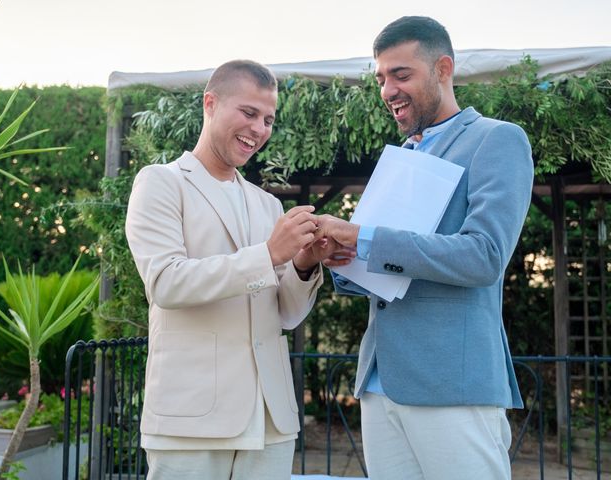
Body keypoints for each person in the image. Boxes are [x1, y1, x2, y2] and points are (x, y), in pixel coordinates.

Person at [316, 16, 534, 480]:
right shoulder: (400, 156)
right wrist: (340, 257)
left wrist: (364, 238)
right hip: (378, 383)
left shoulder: (496, 139)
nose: (388, 89)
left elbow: (484, 257)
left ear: (443, 69)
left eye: (401, 74)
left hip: (452, 385)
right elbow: (389, 270)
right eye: (381, 79)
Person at [125, 59, 340, 480]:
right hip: (193, 418)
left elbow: (285, 314)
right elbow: (166, 284)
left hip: (270, 418)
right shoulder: (161, 182)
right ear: (210, 103)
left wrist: (303, 264)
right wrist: (269, 253)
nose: (259, 129)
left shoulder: (268, 205)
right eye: (249, 113)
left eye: (268, 119)